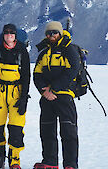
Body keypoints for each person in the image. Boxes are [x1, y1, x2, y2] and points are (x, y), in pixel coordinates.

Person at [32, 21, 80, 169]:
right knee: (47, 130)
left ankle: (70, 164)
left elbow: (72, 71)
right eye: (48, 33)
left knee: (68, 131)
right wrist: (44, 91)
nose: (51, 35)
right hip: (47, 97)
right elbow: (36, 74)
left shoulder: (69, 50)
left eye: (54, 32)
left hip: (64, 96)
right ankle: (50, 161)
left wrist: (54, 89)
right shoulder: (44, 53)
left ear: (59, 33)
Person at [0, 23, 30, 169]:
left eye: (12, 32)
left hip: (16, 92)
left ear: (15, 35)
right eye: (6, 32)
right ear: (3, 34)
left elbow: (26, 76)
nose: (9, 35)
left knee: (16, 127)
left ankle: (14, 160)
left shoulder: (22, 51)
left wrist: (24, 98)